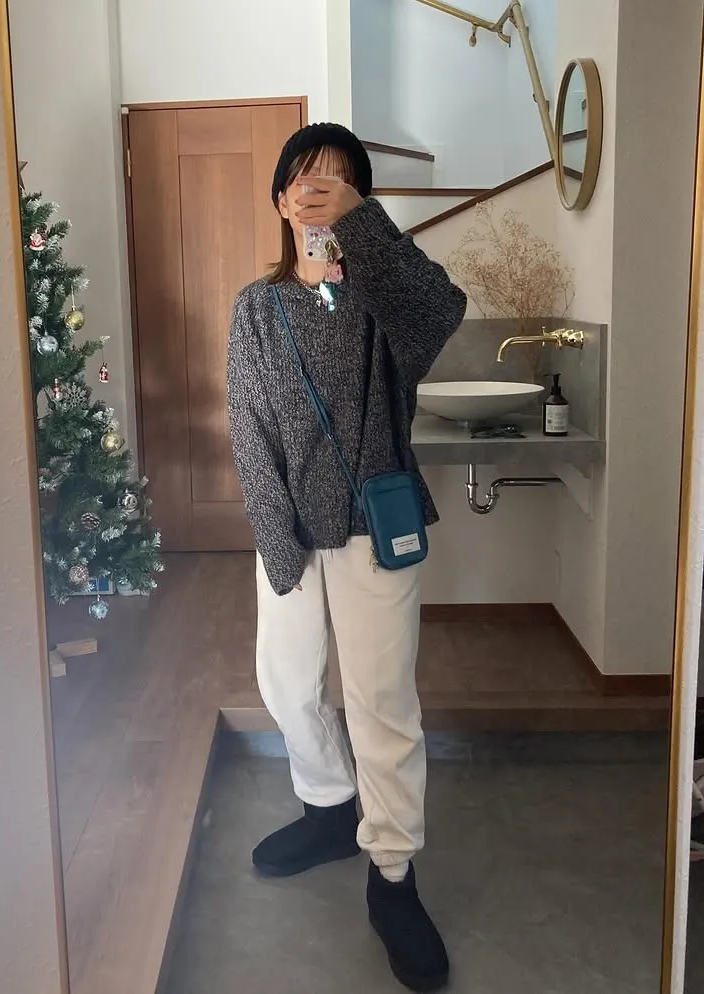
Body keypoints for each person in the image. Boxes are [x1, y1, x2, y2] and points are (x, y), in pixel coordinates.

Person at [227, 123, 466, 992]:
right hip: (290, 528)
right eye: (304, 178)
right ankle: (329, 806)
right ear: (280, 199)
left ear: (361, 197)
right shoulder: (257, 308)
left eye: (339, 180)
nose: (318, 190)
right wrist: (275, 538)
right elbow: (248, 425)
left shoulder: (387, 302)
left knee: (381, 704)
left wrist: (363, 230)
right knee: (287, 683)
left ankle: (392, 874)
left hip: (375, 524)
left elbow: (442, 311)